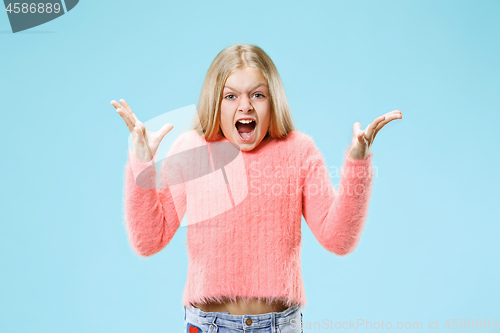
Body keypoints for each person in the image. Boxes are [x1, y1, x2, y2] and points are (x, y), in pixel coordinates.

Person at [111, 44, 402, 333]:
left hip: (280, 324)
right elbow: (149, 241)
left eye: (258, 94)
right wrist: (141, 163)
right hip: (208, 325)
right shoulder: (192, 149)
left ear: (272, 101)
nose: (245, 105)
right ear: (215, 101)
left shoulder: (299, 151)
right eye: (231, 95)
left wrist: (357, 162)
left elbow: (338, 240)